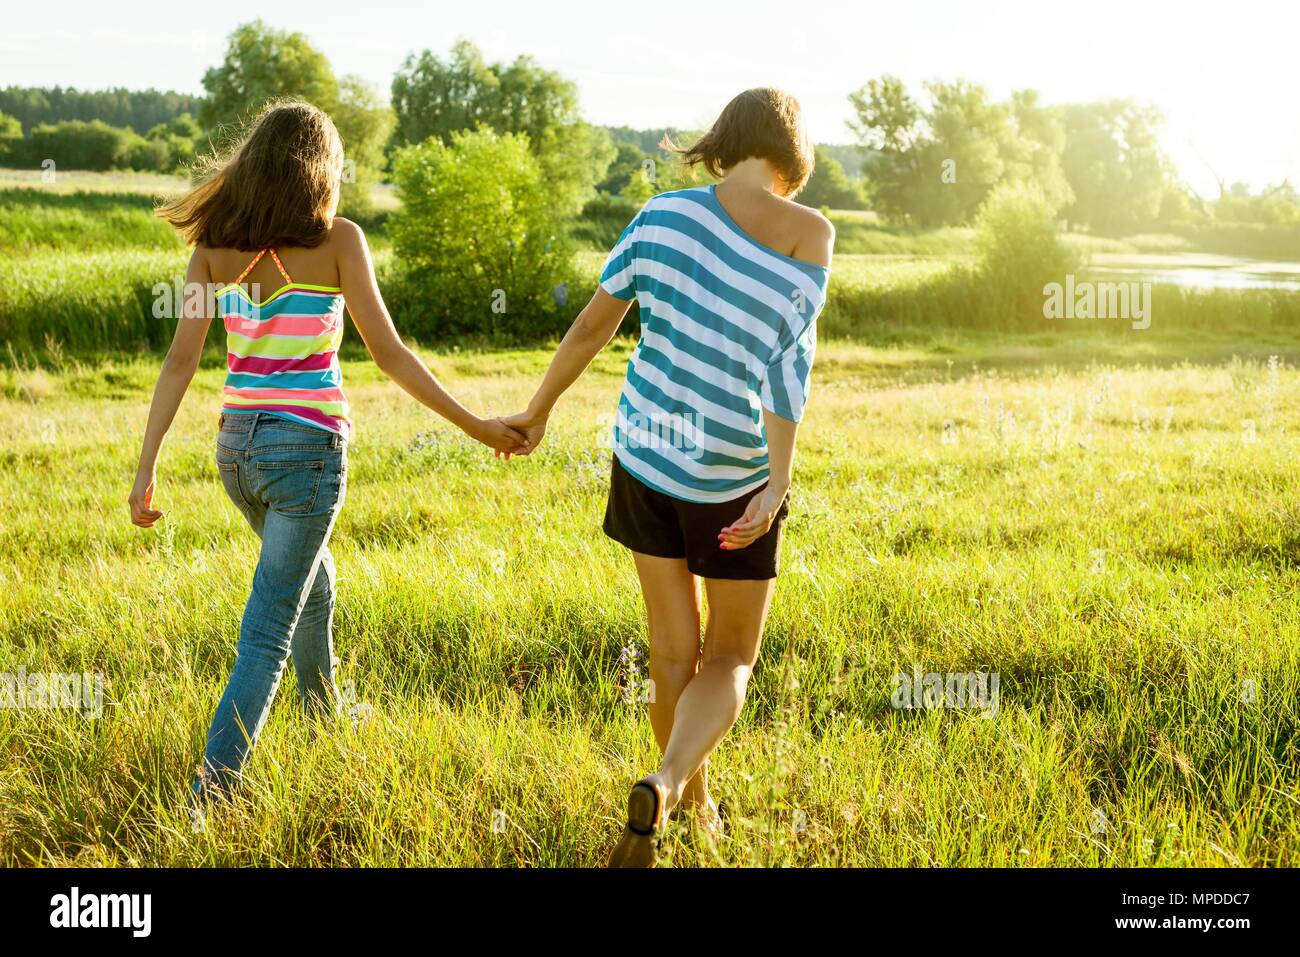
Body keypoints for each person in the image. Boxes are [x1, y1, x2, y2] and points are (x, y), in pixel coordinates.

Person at [128, 100, 528, 804]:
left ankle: (324, 713)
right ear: (321, 170)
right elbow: (391, 354)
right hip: (305, 453)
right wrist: (476, 424)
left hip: (237, 454)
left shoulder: (214, 248)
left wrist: (147, 465)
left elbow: (179, 363)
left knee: (313, 580)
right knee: (267, 630)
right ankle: (210, 794)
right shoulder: (340, 241)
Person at [502, 87, 834, 866]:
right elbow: (792, 368)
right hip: (730, 472)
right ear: (793, 154)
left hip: (645, 456)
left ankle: (693, 801)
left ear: (726, 139)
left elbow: (593, 322)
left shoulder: (660, 215)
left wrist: (538, 408)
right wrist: (775, 482)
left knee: (670, 650)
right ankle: (673, 778)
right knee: (730, 659)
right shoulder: (809, 232)